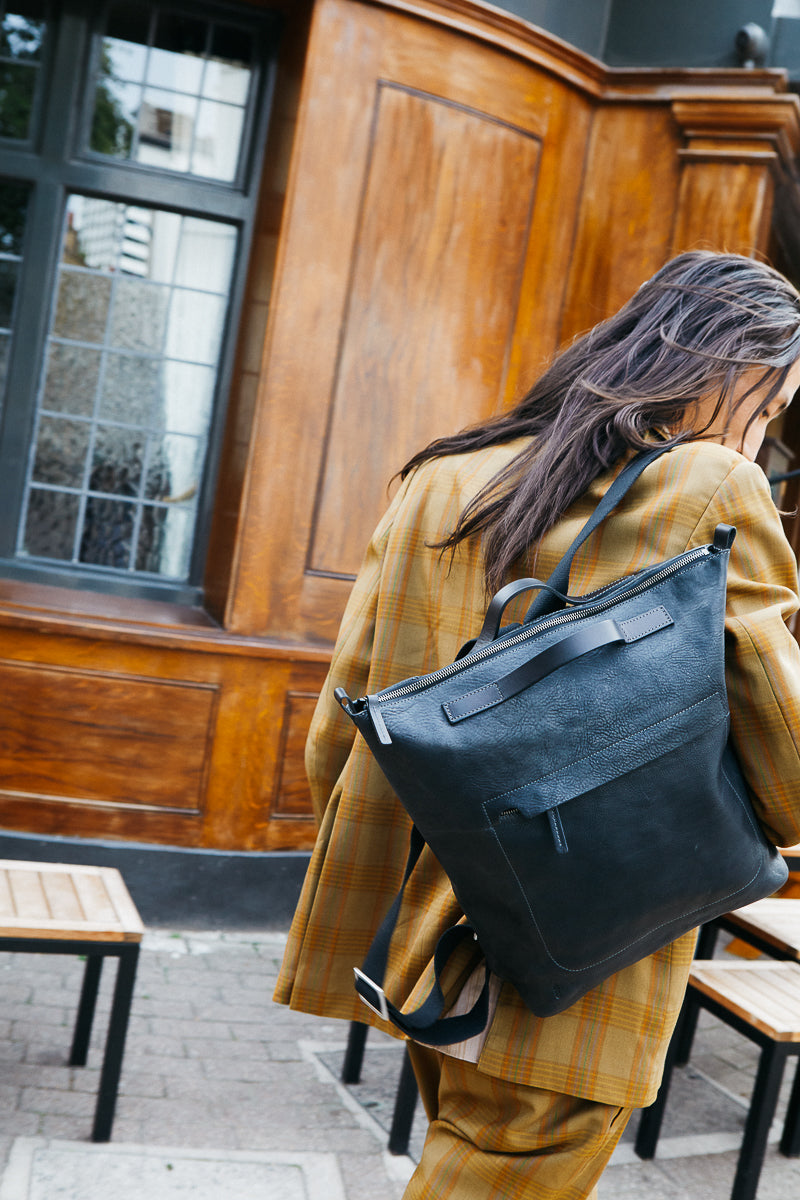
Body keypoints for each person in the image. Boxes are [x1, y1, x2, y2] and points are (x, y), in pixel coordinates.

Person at [274, 250, 800, 1198]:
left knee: (466, 1153)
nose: (767, 434)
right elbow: (788, 768)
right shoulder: (712, 486)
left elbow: (339, 726)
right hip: (585, 928)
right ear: (732, 371)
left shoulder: (445, 476)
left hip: (428, 918)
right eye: (771, 406)